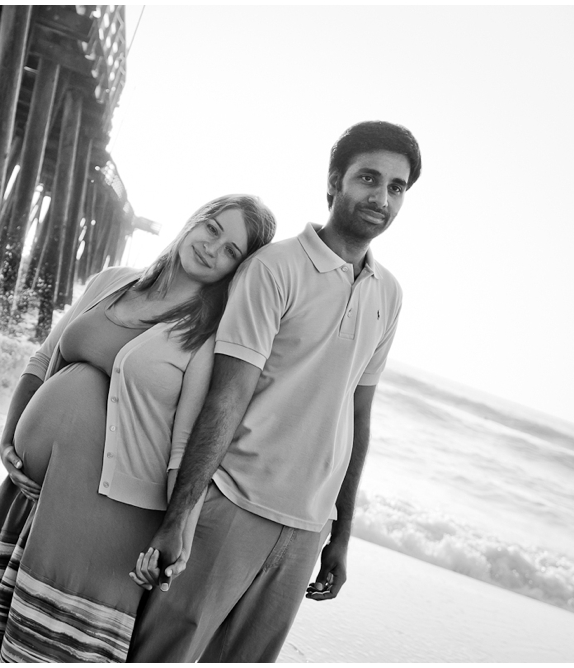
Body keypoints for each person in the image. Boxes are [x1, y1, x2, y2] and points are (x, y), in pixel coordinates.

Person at [127, 120, 422, 662]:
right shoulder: (274, 268)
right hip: (230, 504)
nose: (381, 197)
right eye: (368, 178)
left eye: (396, 187)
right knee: (162, 656)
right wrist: (180, 517)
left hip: (307, 527)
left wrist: (342, 532)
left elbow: (358, 417)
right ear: (334, 182)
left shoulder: (390, 294)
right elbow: (226, 396)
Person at [0, 194, 276, 662]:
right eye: (213, 229)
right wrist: (9, 436)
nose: (212, 248)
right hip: (34, 492)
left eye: (232, 251)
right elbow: (41, 361)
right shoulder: (112, 282)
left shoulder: (209, 334)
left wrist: (179, 529)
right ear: (194, 220)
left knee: (50, 653)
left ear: (238, 270)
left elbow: (188, 443)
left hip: (110, 515)